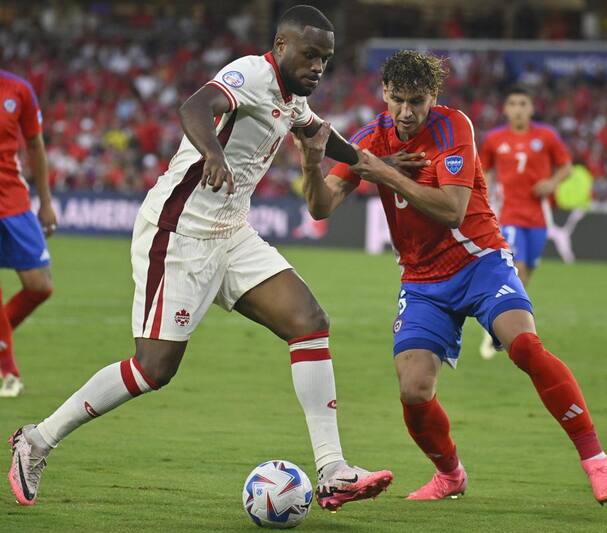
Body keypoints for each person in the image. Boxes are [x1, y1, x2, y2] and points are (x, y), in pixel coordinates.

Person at [8, 5, 392, 511]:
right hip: (179, 230)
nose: (319, 65)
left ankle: (333, 469)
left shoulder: (291, 97)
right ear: (280, 46)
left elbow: (324, 137)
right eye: (310, 53)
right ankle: (37, 439)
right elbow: (194, 107)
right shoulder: (252, 73)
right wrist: (211, 151)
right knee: (153, 369)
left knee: (310, 322)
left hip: (232, 232)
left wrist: (381, 164)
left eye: (326, 58)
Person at [295, 50, 607, 504]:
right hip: (422, 281)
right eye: (397, 101)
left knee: (524, 346)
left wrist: (385, 172)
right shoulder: (370, 139)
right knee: (413, 390)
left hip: (479, 262)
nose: (406, 113)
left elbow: (451, 210)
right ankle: (450, 476)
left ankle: (595, 460)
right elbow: (321, 206)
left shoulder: (454, 127)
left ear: (433, 97)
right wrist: (312, 163)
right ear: (384, 95)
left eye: (417, 102)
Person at [477, 86, 572, 359]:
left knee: (526, 273)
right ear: (505, 109)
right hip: (509, 214)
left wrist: (552, 182)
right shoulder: (495, 139)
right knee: (515, 268)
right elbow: (483, 170)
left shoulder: (546, 136)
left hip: (539, 217)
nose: (518, 108)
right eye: (513, 103)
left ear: (531, 108)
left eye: (523, 103)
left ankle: (499, 320)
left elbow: (565, 166)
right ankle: (498, 328)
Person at [0, 69, 56, 398]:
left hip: (13, 199)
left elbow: (35, 145)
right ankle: (8, 371)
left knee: (40, 286)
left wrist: (46, 203)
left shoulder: (18, 90)